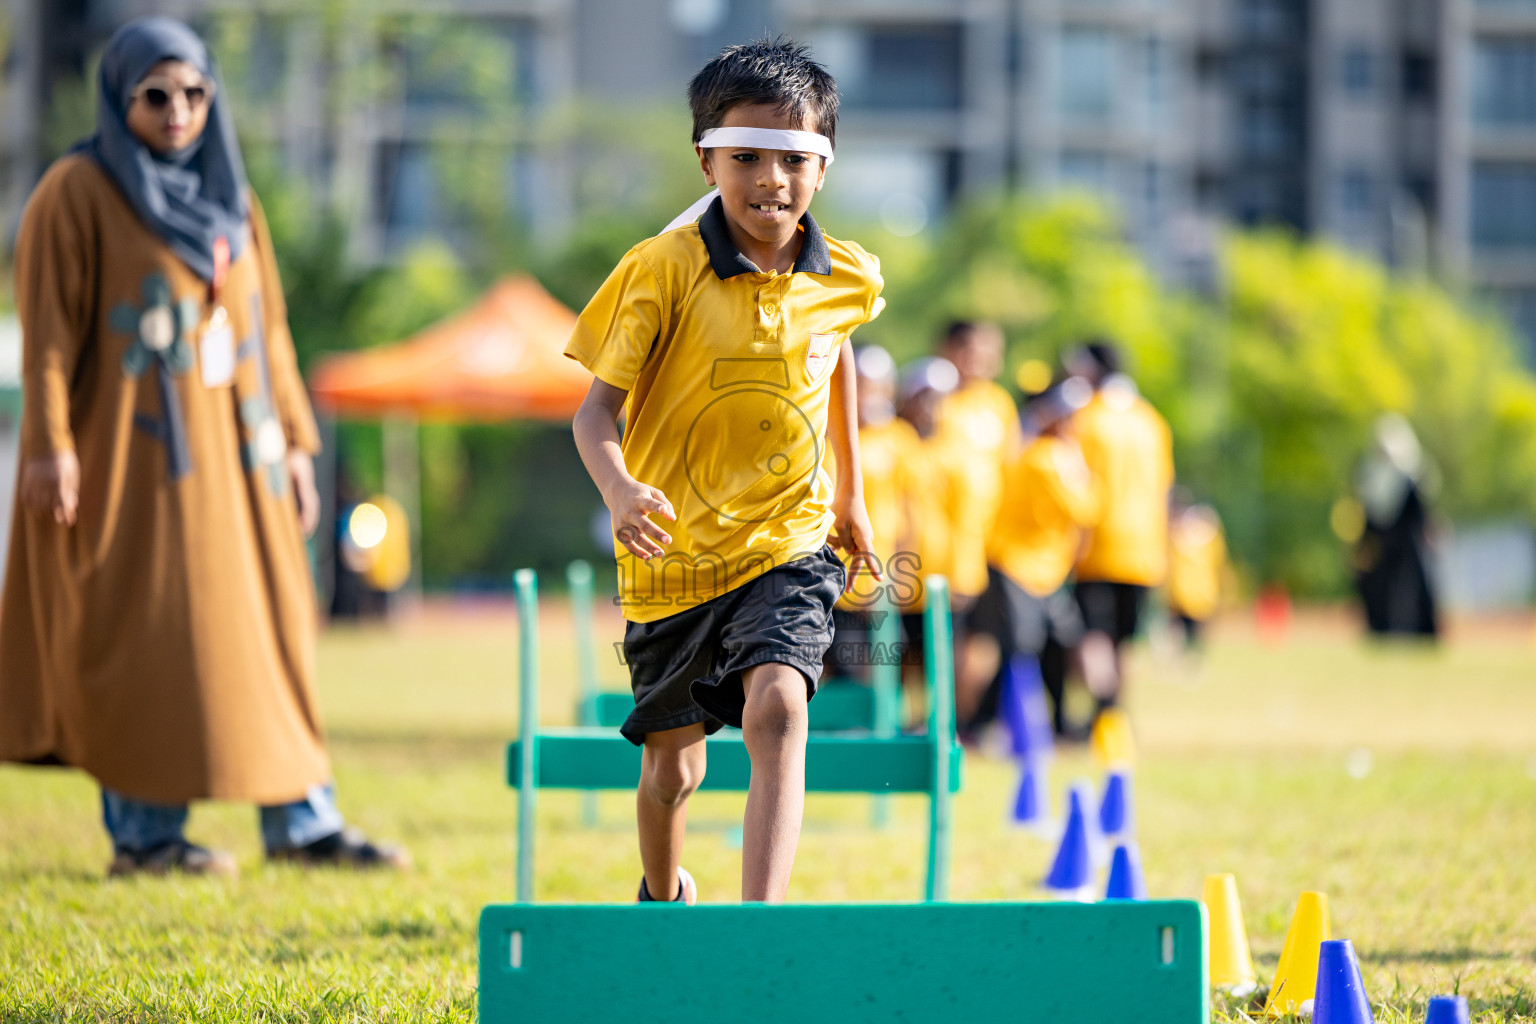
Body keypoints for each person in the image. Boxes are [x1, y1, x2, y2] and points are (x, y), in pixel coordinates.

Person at [0, 18, 406, 877]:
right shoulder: (76, 192)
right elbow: (44, 335)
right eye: (156, 95)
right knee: (151, 640)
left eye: (194, 94)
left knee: (271, 633)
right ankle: (147, 839)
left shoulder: (232, 200)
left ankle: (302, 822)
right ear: (121, 97)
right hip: (134, 469)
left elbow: (271, 332)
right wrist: (47, 446)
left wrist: (298, 446)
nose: (178, 111)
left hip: (244, 464)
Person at [567, 39, 881, 904]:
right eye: (745, 156)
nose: (769, 178)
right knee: (674, 771)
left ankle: (757, 926)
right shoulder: (658, 270)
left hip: (789, 539)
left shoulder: (847, 276)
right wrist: (622, 488)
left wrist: (850, 496)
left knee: (780, 705)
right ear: (706, 158)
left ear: (824, 166)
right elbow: (593, 413)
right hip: (675, 559)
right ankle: (662, 890)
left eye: (793, 158)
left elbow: (838, 355)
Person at [965, 378, 1110, 737]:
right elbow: (1087, 508)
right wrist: (1082, 469)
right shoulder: (1045, 458)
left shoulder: (1050, 455)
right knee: (1020, 648)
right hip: (1019, 565)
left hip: (1045, 570)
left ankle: (1056, 721)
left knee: (1053, 646)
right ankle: (995, 723)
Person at [1067, 340, 1174, 712]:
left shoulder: (1086, 419)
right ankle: (1117, 717)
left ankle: (1102, 710)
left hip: (1098, 543)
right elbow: (1164, 489)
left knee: (1095, 634)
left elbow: (1077, 484)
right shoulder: (1151, 420)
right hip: (1144, 547)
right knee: (1125, 641)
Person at [825, 345, 919, 683]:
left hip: (879, 576)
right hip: (831, 577)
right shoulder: (824, 435)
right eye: (863, 384)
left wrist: (902, 571)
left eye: (878, 386)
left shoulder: (899, 439)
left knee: (880, 670)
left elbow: (910, 513)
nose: (870, 394)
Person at [1352, 413, 1440, 639]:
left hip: (1408, 546)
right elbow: (1369, 516)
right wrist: (1364, 545)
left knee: (1410, 589)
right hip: (1384, 546)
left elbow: (1421, 513)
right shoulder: (1371, 476)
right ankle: (1384, 630)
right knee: (1379, 587)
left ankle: (1412, 632)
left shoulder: (1411, 475)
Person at [1167, 489, 1228, 651]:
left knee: (1184, 634)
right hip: (1201, 594)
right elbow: (1219, 561)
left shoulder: (1175, 535)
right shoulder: (1208, 532)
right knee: (1194, 636)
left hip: (1182, 595)